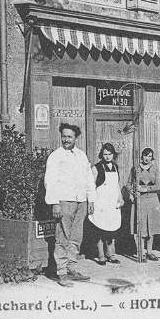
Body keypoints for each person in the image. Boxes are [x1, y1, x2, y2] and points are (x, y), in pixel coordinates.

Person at [44, 123, 96, 287]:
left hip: (81, 201)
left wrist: (91, 199)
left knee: (75, 237)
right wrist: (54, 203)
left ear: (75, 138)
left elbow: (89, 179)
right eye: (64, 136)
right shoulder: (55, 156)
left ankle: (72, 267)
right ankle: (62, 272)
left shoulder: (81, 156)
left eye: (69, 137)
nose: (66, 139)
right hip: (64, 202)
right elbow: (49, 181)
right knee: (62, 238)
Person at [89, 143, 123, 266]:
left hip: (112, 204)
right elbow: (91, 187)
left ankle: (111, 254)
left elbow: (117, 185)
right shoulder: (96, 168)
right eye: (105, 154)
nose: (107, 157)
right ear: (101, 155)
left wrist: (120, 197)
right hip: (101, 204)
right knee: (99, 229)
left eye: (110, 154)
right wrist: (91, 202)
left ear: (113, 154)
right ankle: (101, 255)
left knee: (111, 229)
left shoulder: (115, 167)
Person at [128, 147, 160, 262]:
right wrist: (132, 192)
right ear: (142, 156)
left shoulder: (155, 168)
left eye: (149, 156)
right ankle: (141, 252)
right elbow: (128, 184)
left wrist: (145, 189)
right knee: (141, 226)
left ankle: (150, 251)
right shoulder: (136, 168)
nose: (147, 158)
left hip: (152, 199)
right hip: (140, 200)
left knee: (151, 226)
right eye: (145, 155)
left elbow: (158, 186)